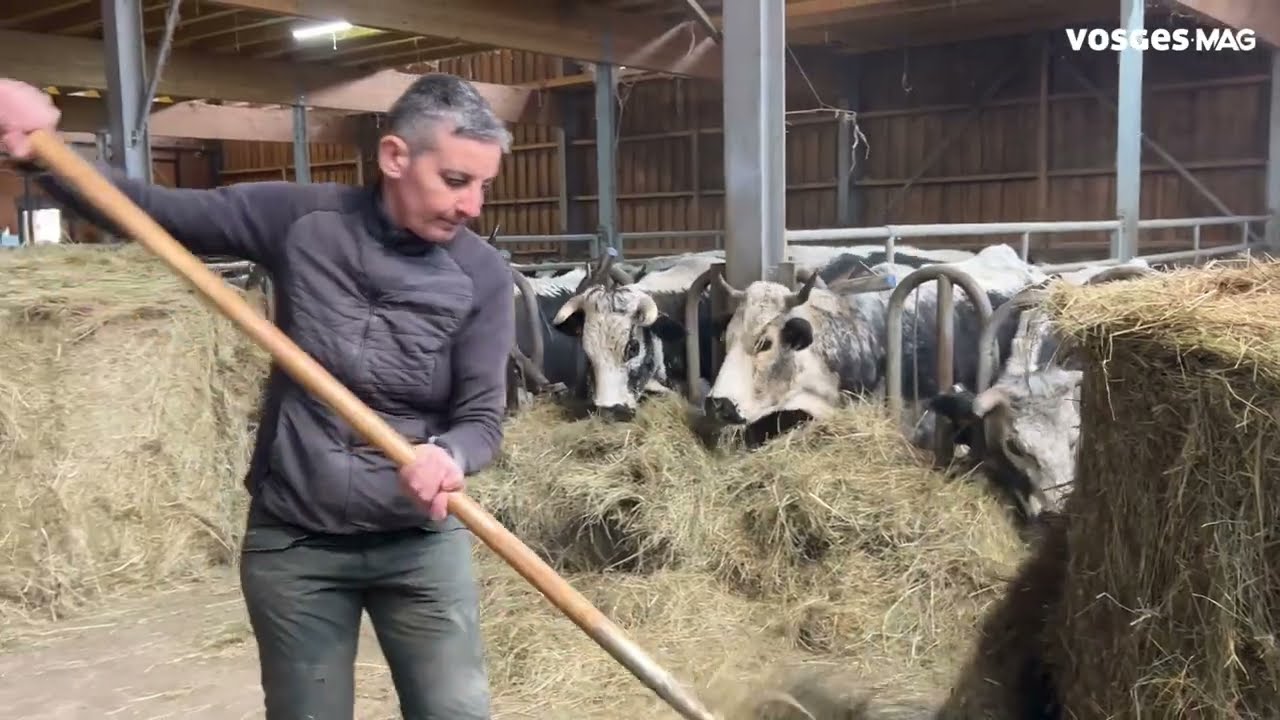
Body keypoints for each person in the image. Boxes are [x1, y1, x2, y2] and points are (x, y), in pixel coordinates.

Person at [0, 73, 515, 719]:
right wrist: (44, 150)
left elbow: (481, 419)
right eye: (456, 181)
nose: (473, 207)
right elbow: (151, 213)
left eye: (484, 186)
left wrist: (450, 455)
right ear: (394, 157)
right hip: (295, 543)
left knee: (455, 711)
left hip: (418, 543)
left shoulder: (481, 275)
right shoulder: (298, 219)